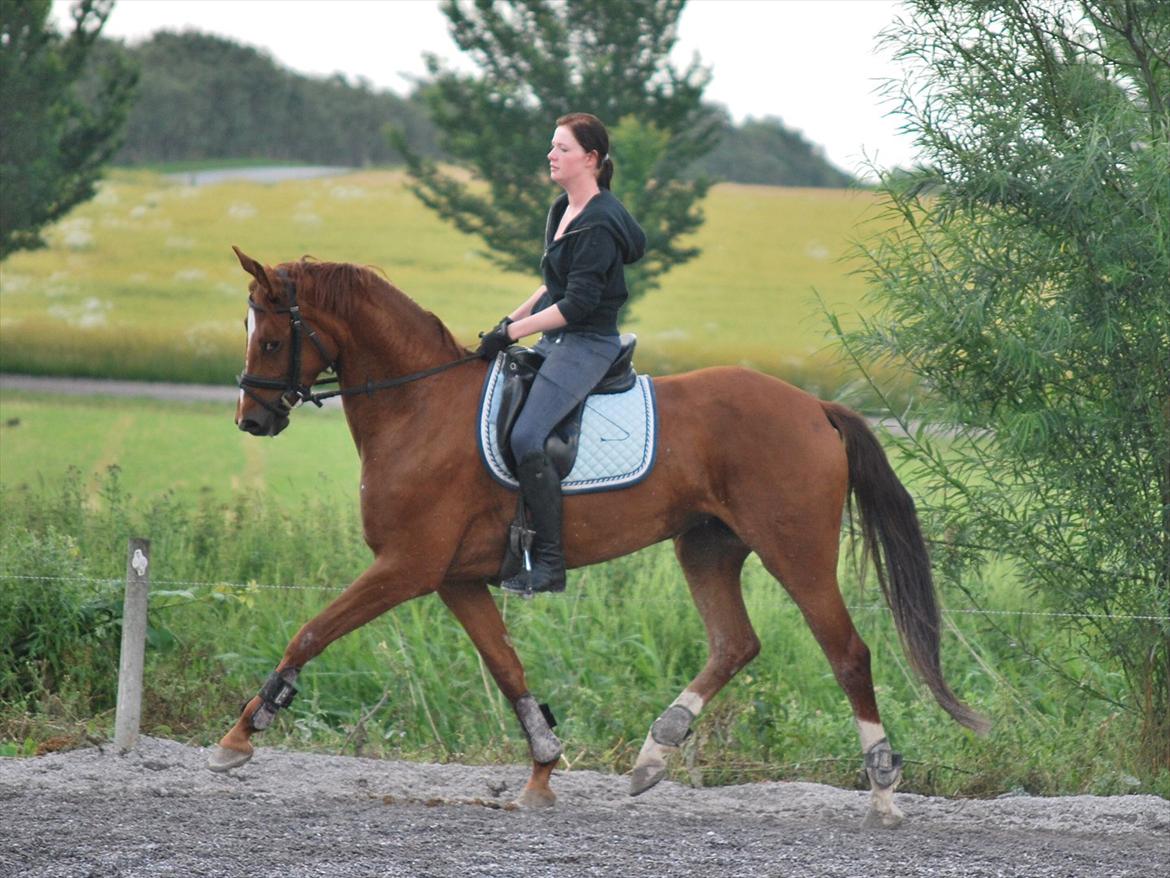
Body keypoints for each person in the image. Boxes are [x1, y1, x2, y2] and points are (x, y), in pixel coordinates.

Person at [476, 112, 646, 595]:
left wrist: (514, 333)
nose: (551, 155)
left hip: (589, 343)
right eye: (553, 146)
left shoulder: (598, 224)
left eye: (562, 148)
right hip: (557, 338)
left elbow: (576, 305)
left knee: (528, 436)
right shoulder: (562, 209)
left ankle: (549, 563)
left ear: (590, 159)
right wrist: (505, 324)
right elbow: (552, 286)